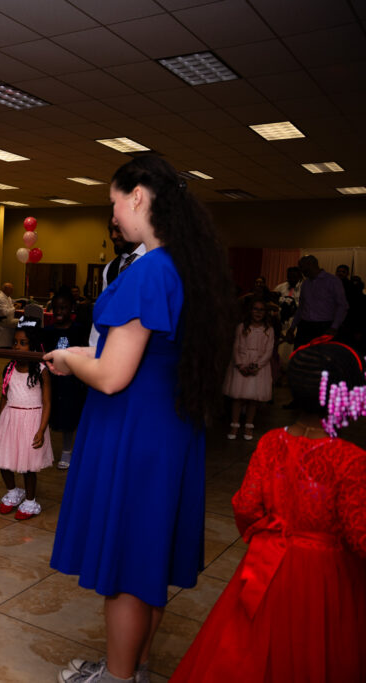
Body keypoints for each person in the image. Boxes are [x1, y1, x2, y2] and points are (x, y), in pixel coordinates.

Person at [43, 156, 234, 683]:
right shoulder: (183, 264)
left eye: (113, 203)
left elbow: (110, 376)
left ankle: (117, 678)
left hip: (134, 430)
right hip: (167, 428)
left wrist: (69, 359)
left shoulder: (149, 271)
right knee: (146, 556)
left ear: (138, 198)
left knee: (126, 565)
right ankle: (135, 666)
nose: (114, 216)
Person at [171, 340, 366, 683]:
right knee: (315, 650)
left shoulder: (271, 441)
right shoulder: (352, 459)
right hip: (325, 574)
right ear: (345, 395)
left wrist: (266, 535)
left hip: (270, 563)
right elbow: (358, 533)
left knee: (254, 649)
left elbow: (246, 505)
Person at [0, 320, 52, 520]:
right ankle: (12, 491)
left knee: (27, 465)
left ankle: (30, 500)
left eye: (23, 342)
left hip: (31, 421)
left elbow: (47, 401)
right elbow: (3, 396)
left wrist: (41, 429)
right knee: (4, 460)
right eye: (15, 342)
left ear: (33, 346)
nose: (17, 347)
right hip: (10, 418)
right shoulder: (9, 369)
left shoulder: (41, 369)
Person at [44, 290, 89, 469]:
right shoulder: (48, 331)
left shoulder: (78, 330)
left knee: (69, 416)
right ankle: (44, 448)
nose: (59, 312)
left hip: (72, 382)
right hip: (52, 380)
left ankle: (67, 450)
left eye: (63, 308)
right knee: (50, 412)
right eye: (55, 308)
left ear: (71, 308)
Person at [89, 216, 146, 347]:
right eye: (110, 231)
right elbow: (104, 311)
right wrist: (94, 349)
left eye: (118, 230)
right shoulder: (110, 268)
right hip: (115, 346)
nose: (113, 236)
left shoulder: (153, 259)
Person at [223, 297, 275, 441]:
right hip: (242, 362)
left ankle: (248, 425)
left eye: (261, 310)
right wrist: (240, 364)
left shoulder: (268, 330)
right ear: (250, 311)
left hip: (258, 365)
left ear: (265, 312)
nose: (258, 312)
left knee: (253, 398)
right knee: (238, 397)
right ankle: (234, 425)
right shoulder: (241, 327)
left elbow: (268, 351)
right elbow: (236, 346)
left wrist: (256, 365)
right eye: (255, 309)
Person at [286, 255, 348, 350]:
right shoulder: (305, 284)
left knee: (320, 361)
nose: (301, 270)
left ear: (311, 264)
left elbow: (342, 306)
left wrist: (334, 327)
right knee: (301, 357)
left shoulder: (333, 281)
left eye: (302, 267)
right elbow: (301, 307)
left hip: (324, 327)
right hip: (305, 326)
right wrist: (292, 327)